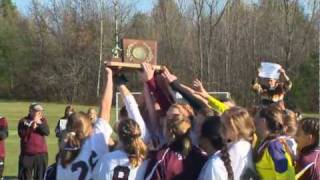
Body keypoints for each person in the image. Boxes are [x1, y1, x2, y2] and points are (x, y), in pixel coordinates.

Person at [56, 67, 114, 180]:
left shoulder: (62, 156)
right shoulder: (95, 141)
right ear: (89, 128)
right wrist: (110, 77)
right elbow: (105, 107)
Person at [145, 103, 208, 180]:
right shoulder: (202, 155)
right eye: (167, 116)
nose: (166, 119)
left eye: (174, 117)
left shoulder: (162, 158)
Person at [254, 107, 295, 179]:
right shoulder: (268, 142)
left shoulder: (274, 145)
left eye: (256, 119)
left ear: (263, 121)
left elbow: (283, 174)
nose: (254, 122)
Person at [218, 106, 257, 179]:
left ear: (235, 128)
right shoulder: (245, 144)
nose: (221, 129)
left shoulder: (237, 148)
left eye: (224, 126)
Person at [18, 103, 50, 180]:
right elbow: (22, 134)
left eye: (40, 111)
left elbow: (46, 132)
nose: (39, 113)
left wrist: (39, 123)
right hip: (27, 154)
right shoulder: (23, 121)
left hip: (41, 155)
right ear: (30, 111)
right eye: (37, 111)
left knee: (40, 177)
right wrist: (32, 126)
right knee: (25, 176)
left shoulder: (43, 120)